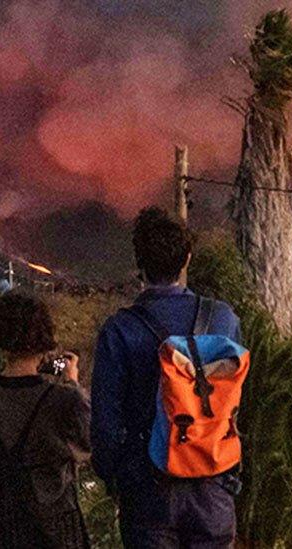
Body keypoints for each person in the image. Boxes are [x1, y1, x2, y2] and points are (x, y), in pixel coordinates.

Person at [91, 207, 243, 548]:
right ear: (187, 258)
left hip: (149, 493)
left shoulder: (120, 330)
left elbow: (105, 422)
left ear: (139, 264)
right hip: (212, 487)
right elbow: (233, 401)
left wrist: (115, 477)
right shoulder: (223, 320)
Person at [0, 291, 91, 549]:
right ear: (45, 341)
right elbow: (89, 439)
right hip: (54, 529)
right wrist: (72, 382)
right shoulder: (63, 401)